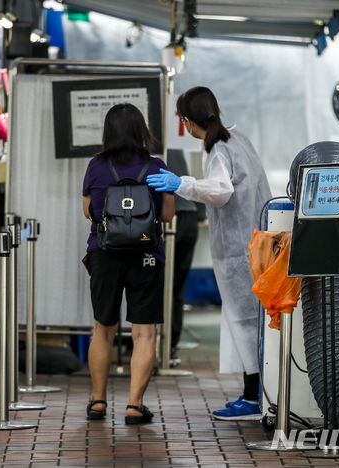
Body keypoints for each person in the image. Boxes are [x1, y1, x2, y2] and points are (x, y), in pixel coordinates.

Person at [147, 87, 271, 421]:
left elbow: (221, 190)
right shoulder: (237, 138)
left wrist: (181, 185)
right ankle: (253, 393)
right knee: (251, 322)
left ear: (187, 121)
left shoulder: (218, 148)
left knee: (246, 322)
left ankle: (256, 397)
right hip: (255, 242)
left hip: (238, 250)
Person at [82, 103, 174, 424]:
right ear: (142, 131)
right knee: (144, 333)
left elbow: (89, 212)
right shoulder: (157, 167)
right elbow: (165, 215)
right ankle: (135, 406)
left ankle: (97, 402)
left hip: (104, 254)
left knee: (103, 329)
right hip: (146, 256)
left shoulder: (96, 166)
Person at [165, 149, 199, 361]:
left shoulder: (154, 145)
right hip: (190, 215)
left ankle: (158, 345)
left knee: (161, 286)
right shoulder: (179, 144)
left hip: (170, 216)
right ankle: (170, 345)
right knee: (177, 288)